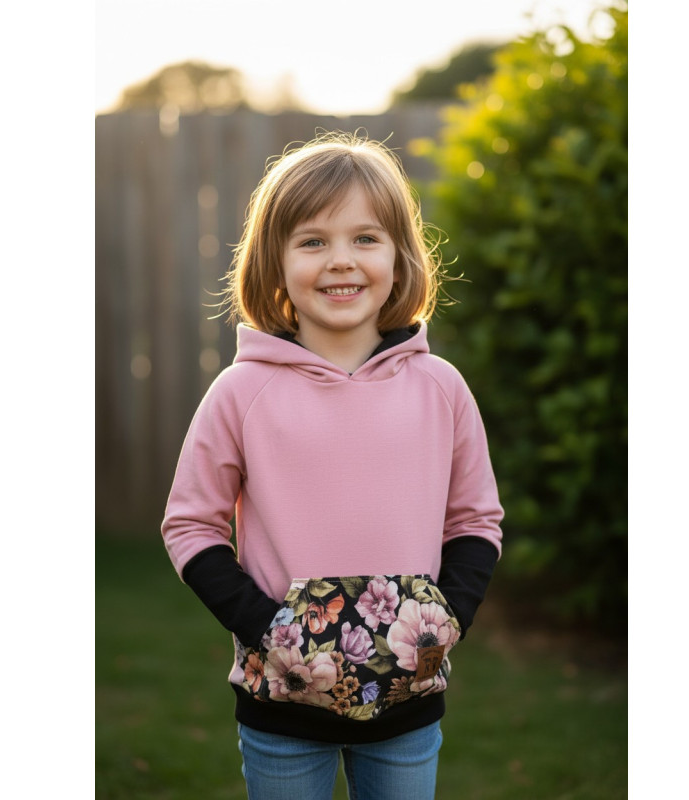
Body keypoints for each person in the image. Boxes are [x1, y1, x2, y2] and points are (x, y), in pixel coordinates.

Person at [161, 131, 504, 800]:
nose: (340, 261)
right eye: (313, 241)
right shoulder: (241, 391)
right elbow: (190, 526)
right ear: (275, 262)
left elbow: (476, 519)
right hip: (281, 710)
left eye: (365, 238)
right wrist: (270, 630)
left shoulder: (441, 387)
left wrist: (445, 618)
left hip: (409, 707)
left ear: (401, 258)